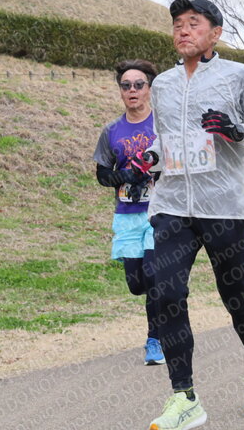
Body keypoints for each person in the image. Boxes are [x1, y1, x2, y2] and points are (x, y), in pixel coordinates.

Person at [133, 0, 244, 430]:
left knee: (235, 297)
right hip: (171, 206)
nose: (183, 30)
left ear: (215, 33)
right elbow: (166, 138)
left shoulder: (239, 75)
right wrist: (151, 156)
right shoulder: (162, 84)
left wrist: (238, 132)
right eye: (177, 24)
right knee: (165, 294)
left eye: (193, 23)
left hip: (224, 206)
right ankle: (184, 397)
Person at [93, 59, 165, 366]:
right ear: (120, 91)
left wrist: (150, 176)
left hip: (161, 212)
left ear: (149, 89)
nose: (132, 90)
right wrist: (127, 177)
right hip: (127, 214)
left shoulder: (163, 124)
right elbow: (101, 174)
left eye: (138, 84)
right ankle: (170, 300)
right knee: (137, 284)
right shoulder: (111, 131)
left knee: (154, 273)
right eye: (126, 85)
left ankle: (155, 340)